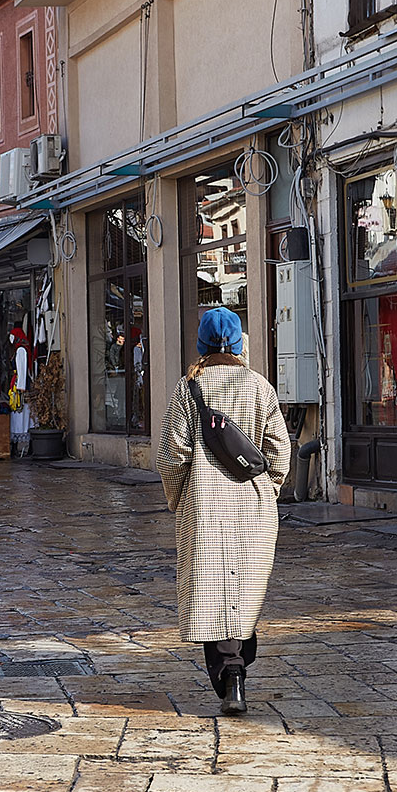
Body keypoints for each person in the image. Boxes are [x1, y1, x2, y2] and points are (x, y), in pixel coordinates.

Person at [155, 305, 291, 716]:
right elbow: (279, 453)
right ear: (239, 342)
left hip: (203, 506)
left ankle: (229, 673)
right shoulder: (259, 387)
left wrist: (179, 499)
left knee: (213, 591)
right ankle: (237, 668)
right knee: (244, 591)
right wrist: (267, 490)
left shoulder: (186, 390)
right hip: (254, 507)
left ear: (201, 344)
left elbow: (170, 457)